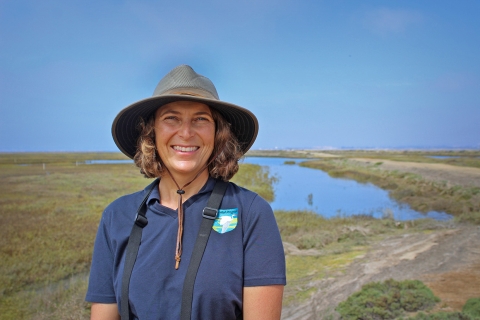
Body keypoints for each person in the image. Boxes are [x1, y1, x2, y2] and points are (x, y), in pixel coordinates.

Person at [86, 65, 286, 320]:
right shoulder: (117, 216)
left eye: (201, 119)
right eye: (171, 118)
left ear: (218, 133)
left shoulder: (250, 213)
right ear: (151, 132)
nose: (186, 133)